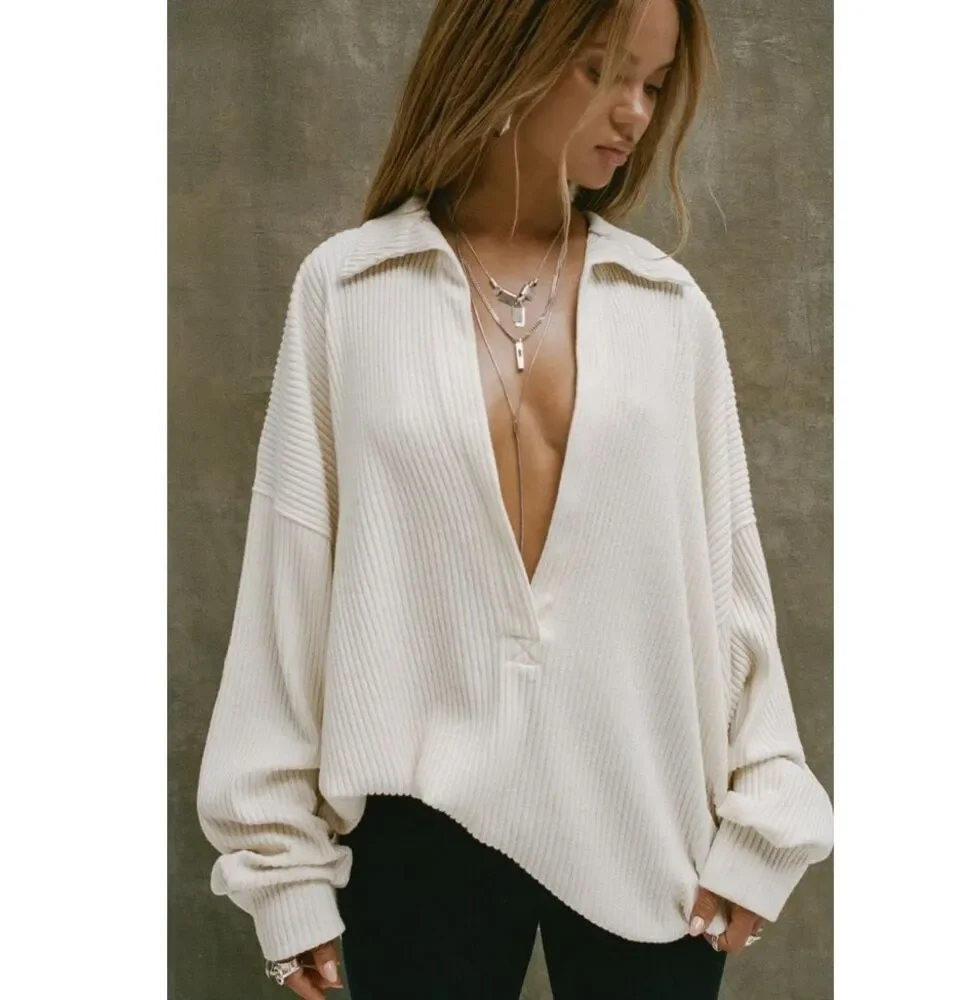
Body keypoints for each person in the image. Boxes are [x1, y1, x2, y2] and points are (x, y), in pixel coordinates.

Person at [195, 1, 834, 997]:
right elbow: (291, 592)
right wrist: (281, 872)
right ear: (504, 56)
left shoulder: (669, 310)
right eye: (600, 69)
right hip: (419, 828)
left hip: (646, 816)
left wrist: (766, 816)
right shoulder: (350, 291)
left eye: (653, 83)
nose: (633, 111)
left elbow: (728, 587)